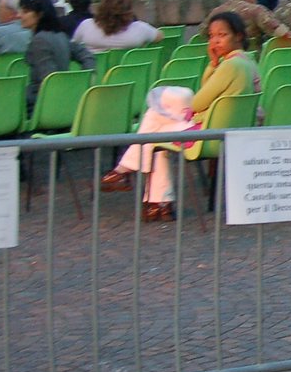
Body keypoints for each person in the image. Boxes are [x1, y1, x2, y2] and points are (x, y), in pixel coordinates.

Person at [103, 11, 260, 221]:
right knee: (155, 134)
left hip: (209, 136)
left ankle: (128, 173)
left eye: (222, 35)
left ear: (238, 36)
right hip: (231, 130)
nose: (215, 41)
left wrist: (214, 65)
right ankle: (157, 204)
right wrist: (214, 63)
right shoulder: (248, 62)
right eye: (212, 36)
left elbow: (198, 102)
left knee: (153, 126)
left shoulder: (230, 65)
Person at [17, 0, 94, 108]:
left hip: (38, 103)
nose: (19, 15)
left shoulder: (39, 41)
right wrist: (86, 78)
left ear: (40, 15)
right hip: (60, 99)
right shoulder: (60, 35)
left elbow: (49, 79)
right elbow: (87, 55)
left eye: (25, 12)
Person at [201, 0, 291, 51]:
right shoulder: (256, 11)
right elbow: (284, 34)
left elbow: (202, 34)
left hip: (223, 62)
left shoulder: (216, 12)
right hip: (251, 63)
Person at [74, 0, 163, 52]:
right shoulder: (141, 29)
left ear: (103, 5)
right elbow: (159, 36)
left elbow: (73, 45)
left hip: (94, 74)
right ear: (129, 7)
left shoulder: (86, 26)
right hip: (130, 75)